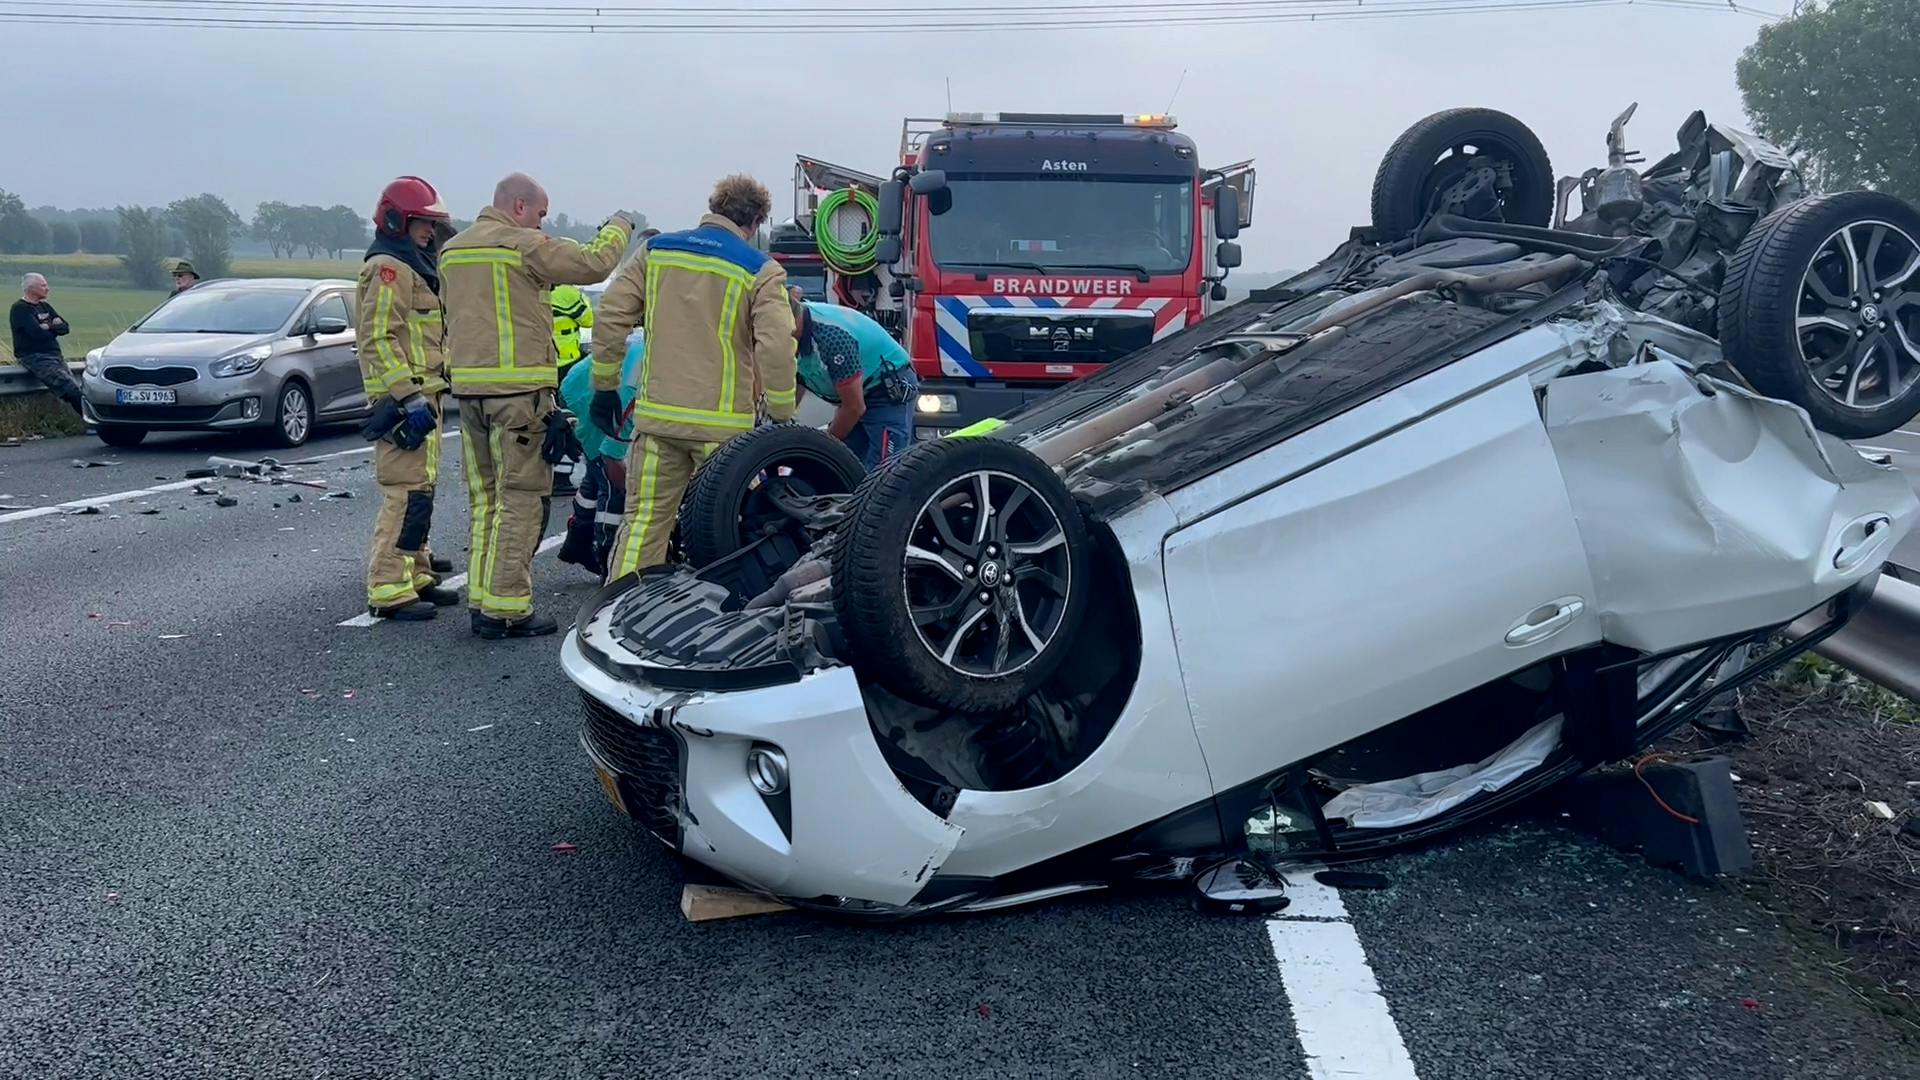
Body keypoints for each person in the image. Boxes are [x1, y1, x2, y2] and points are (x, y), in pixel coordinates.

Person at [441, 172, 631, 639]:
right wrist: (620, 226)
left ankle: (483, 601)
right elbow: (594, 263)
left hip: (469, 394)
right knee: (522, 499)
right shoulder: (520, 245)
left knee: (487, 500)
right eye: (542, 214)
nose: (543, 224)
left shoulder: (453, 251)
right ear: (520, 207)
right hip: (518, 395)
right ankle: (508, 608)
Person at [591, 175, 797, 581]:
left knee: (644, 523)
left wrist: (604, 385)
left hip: (658, 421)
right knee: (733, 526)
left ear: (714, 207)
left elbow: (611, 315)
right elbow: (776, 343)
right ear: (755, 221)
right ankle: (726, 619)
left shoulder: (656, 251)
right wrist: (782, 409)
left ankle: (616, 615)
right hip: (723, 432)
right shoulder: (760, 269)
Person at [355, 176, 461, 622]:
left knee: (421, 491)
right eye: (422, 223)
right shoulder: (389, 268)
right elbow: (376, 338)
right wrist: (408, 396)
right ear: (398, 219)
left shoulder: (414, 265)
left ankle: (416, 573)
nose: (429, 232)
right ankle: (388, 588)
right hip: (405, 403)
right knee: (403, 494)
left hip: (425, 396)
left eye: (432, 224)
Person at [790, 290, 918, 467]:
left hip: (886, 389)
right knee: (844, 467)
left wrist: (823, 447)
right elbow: (797, 380)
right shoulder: (790, 332)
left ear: (789, 323)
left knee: (883, 473)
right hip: (856, 393)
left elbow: (854, 407)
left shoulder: (831, 337)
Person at [555, 329, 644, 576]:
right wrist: (632, 491)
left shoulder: (654, 350)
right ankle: (607, 557)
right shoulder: (639, 382)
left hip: (582, 383)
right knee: (613, 483)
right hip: (587, 396)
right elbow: (612, 450)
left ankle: (578, 543)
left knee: (596, 474)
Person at [9, 274, 82, 416]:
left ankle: (92, 420)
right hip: (36, 357)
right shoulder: (20, 308)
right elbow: (36, 333)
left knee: (78, 389)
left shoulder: (44, 306)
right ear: (31, 288)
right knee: (69, 387)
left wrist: (46, 326)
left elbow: (65, 328)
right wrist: (53, 326)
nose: (47, 289)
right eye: (43, 286)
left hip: (55, 355)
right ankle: (91, 422)